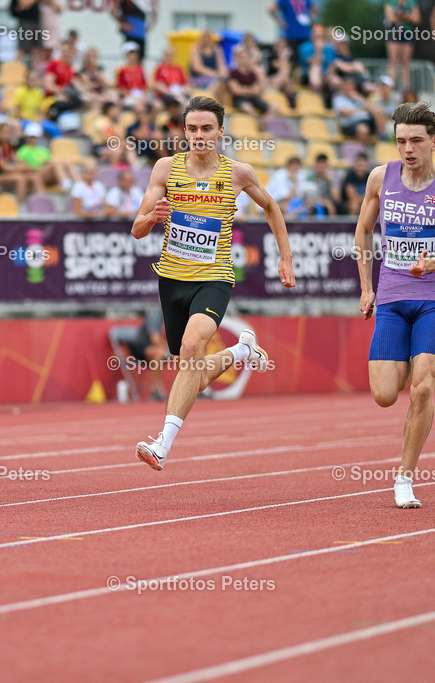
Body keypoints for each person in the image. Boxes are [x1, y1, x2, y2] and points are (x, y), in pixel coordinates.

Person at [130, 96, 296, 470]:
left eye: (207, 129)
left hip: (214, 277)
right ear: (183, 131)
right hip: (171, 279)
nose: (199, 136)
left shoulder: (238, 173)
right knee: (190, 370)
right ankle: (241, 353)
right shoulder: (164, 169)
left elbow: (271, 207)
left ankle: (162, 445)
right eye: (192, 129)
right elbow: (137, 229)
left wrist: (285, 258)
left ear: (220, 132)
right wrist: (153, 218)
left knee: (191, 347)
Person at [353, 101, 435, 508]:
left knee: (422, 389)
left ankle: (404, 477)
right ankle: (403, 359)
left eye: (416, 140)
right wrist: (366, 288)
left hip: (432, 300)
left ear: (434, 142)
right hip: (390, 298)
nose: (407, 148)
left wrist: (434, 263)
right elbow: (363, 233)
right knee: (385, 394)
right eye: (401, 140)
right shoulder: (379, 179)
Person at [384, 0, 419, 92]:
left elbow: (416, 19)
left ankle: (406, 89)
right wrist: (407, 17)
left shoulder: (412, 2)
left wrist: (400, 17)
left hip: (407, 33)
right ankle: (390, 87)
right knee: (393, 60)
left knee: (405, 62)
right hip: (394, 32)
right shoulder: (391, 2)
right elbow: (390, 18)